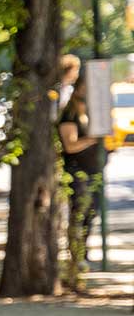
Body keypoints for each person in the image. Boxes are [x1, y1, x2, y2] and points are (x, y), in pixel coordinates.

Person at [59, 85, 107, 267]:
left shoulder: (90, 114)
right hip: (76, 170)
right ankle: (76, 253)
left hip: (93, 169)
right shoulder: (70, 115)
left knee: (92, 212)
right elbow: (70, 145)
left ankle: (83, 250)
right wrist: (93, 139)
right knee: (80, 210)